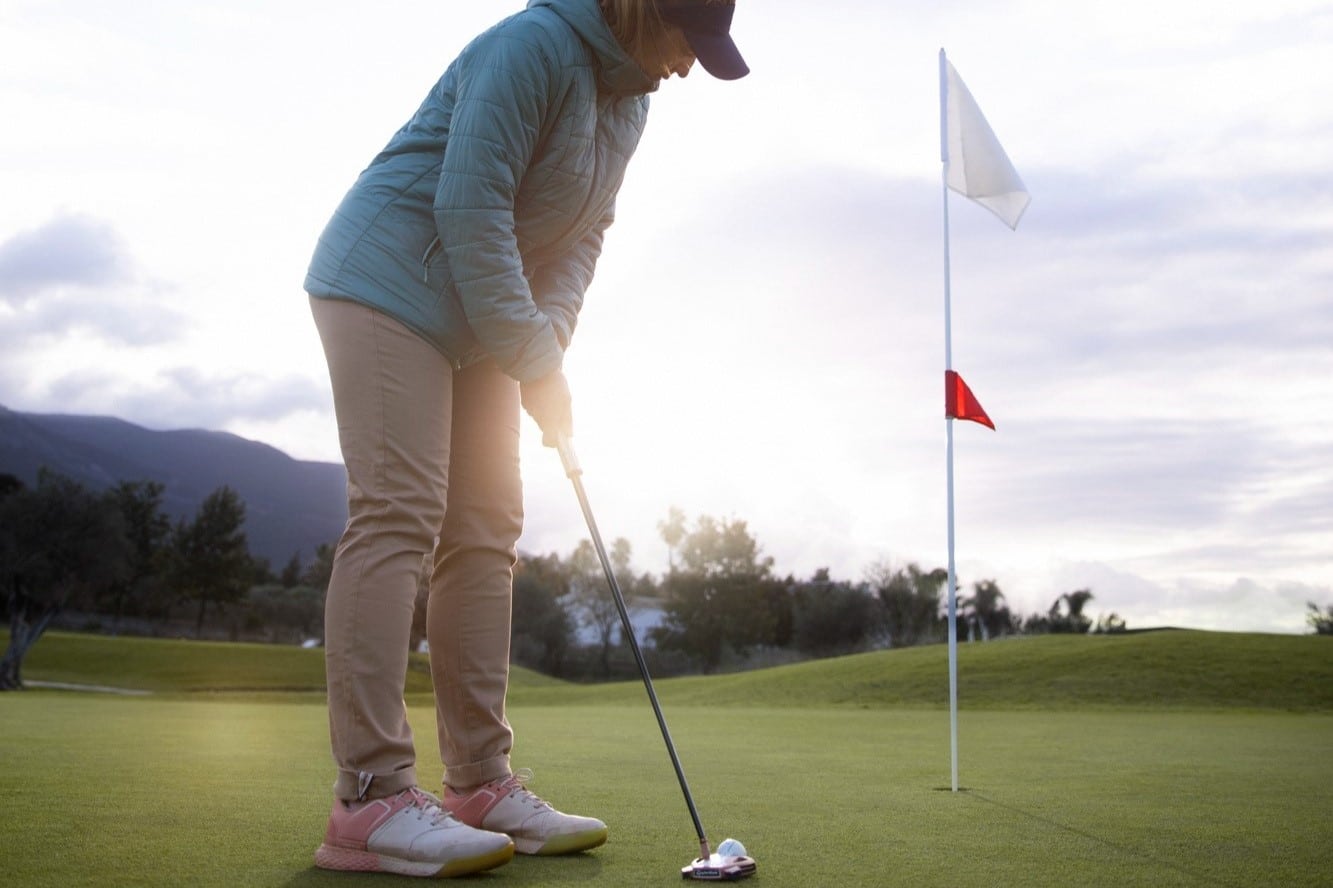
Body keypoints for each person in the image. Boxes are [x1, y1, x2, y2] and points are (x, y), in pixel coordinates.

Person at [303, 0, 748, 878]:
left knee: (487, 527)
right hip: (389, 279)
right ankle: (369, 797)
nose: (687, 67)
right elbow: (470, 210)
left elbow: (586, 237)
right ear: (638, 7)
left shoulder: (632, 100)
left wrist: (545, 351)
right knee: (400, 512)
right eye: (683, 42)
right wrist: (530, 357)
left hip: (479, 315)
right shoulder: (530, 46)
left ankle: (477, 782)